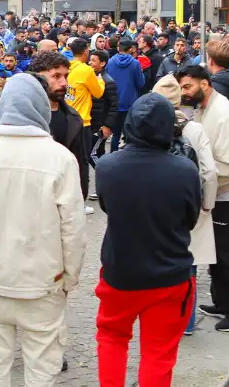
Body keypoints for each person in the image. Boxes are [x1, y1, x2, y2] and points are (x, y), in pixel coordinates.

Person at [0, 72, 85, 386]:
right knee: (42, 369)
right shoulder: (61, 159)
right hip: (43, 283)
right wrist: (69, 277)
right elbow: (73, 230)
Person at [94, 93, 200, 387]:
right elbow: (190, 218)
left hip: (120, 272)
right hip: (169, 274)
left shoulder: (107, 166)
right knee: (159, 352)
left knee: (112, 339)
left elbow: (106, 206)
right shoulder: (185, 171)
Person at [175, 65, 229, 332]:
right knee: (214, 253)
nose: (184, 92)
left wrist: (197, 179)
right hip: (219, 191)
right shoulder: (204, 108)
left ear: (205, 84)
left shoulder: (223, 113)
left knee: (225, 255)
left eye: (187, 86)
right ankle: (221, 301)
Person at [150, 74, 217, 336]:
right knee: (188, 265)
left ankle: (161, 317)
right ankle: (186, 322)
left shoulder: (146, 126)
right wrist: (207, 204)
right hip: (190, 205)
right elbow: (209, 172)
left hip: (157, 208)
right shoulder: (195, 128)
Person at [27, 51, 93, 215]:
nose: (64, 82)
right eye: (56, 76)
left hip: (64, 205)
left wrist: (79, 196)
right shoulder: (25, 117)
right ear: (38, 78)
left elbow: (80, 163)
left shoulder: (73, 118)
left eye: (66, 76)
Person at [107, 40, 145, 152]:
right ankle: (129, 156)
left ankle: (113, 156)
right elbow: (140, 83)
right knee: (129, 133)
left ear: (119, 48)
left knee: (115, 134)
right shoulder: (135, 63)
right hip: (130, 102)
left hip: (114, 102)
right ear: (131, 49)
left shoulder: (110, 62)